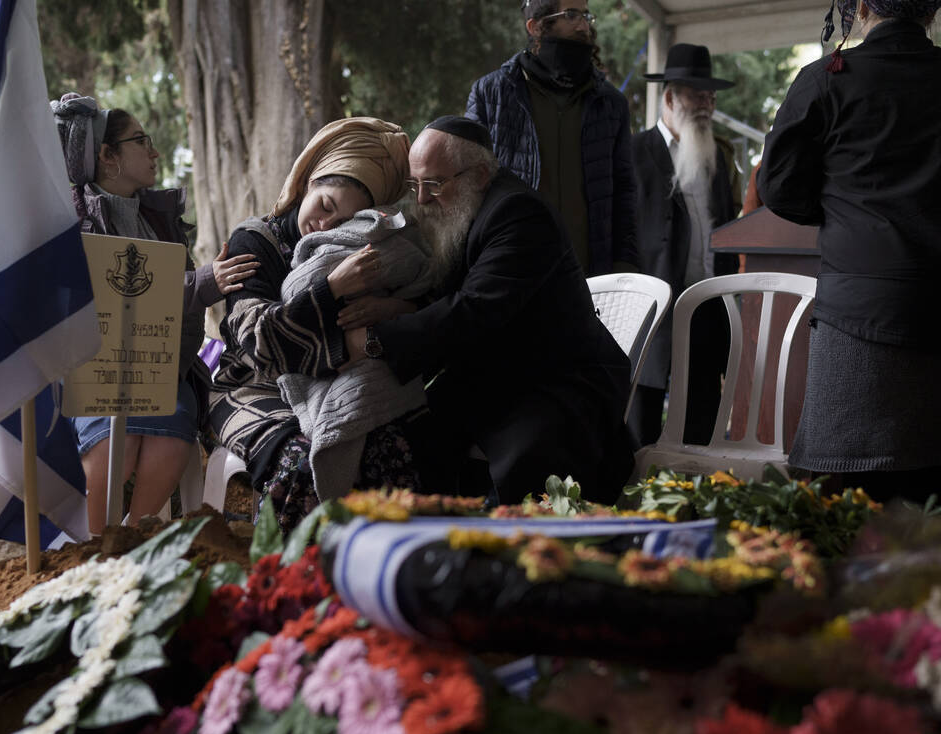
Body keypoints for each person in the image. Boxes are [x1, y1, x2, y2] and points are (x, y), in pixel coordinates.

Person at [758, 0, 941, 506]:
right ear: (936, 8)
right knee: (939, 492)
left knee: (852, 499)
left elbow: (779, 188)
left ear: (859, 8)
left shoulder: (828, 79)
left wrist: (846, 213)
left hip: (859, 314)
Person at [342, 116, 634, 504]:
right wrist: (404, 306)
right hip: (496, 373)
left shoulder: (518, 213)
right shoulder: (464, 208)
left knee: (523, 467)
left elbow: (475, 308)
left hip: (559, 381)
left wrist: (374, 342)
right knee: (400, 432)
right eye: (415, 185)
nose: (423, 199)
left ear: (479, 175)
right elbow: (458, 291)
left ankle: (505, 553)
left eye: (434, 183)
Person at [52, 93, 257, 534]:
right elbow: (106, 295)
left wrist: (202, 283)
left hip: (164, 369)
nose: (154, 152)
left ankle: (129, 542)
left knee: (168, 446)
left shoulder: (159, 214)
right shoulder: (73, 219)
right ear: (108, 156)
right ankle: (90, 555)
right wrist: (201, 283)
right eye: (141, 141)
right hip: (97, 369)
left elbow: (173, 300)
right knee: (117, 449)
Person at [209, 117, 420, 525]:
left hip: (328, 383)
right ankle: (286, 577)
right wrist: (332, 288)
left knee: (392, 448)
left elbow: (414, 296)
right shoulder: (253, 243)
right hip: (251, 386)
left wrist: (396, 310)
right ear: (309, 182)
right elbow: (259, 345)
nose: (325, 226)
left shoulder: (356, 248)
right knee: (301, 461)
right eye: (325, 206)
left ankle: (373, 574)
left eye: (342, 223)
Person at [466, 0, 638, 278]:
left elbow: (624, 190)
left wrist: (625, 263)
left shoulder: (611, 103)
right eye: (571, 15)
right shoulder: (491, 94)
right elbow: (469, 186)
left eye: (585, 15)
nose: (583, 25)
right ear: (535, 27)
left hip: (590, 278)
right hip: (512, 271)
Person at [630, 44, 740, 447]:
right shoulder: (633, 154)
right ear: (671, 97)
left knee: (702, 423)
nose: (706, 104)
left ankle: (692, 501)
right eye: (697, 95)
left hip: (707, 307)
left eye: (710, 97)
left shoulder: (716, 156)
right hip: (653, 314)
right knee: (640, 426)